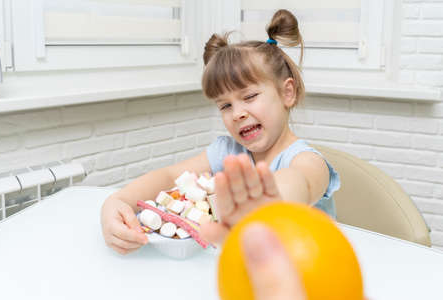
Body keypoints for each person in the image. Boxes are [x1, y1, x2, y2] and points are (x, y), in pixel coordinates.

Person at [100, 9, 339, 255]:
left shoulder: (307, 160)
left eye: (249, 96)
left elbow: (300, 183)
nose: (237, 113)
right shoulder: (227, 151)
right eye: (225, 105)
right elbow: (169, 175)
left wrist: (265, 201)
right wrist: (116, 202)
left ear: (287, 93)